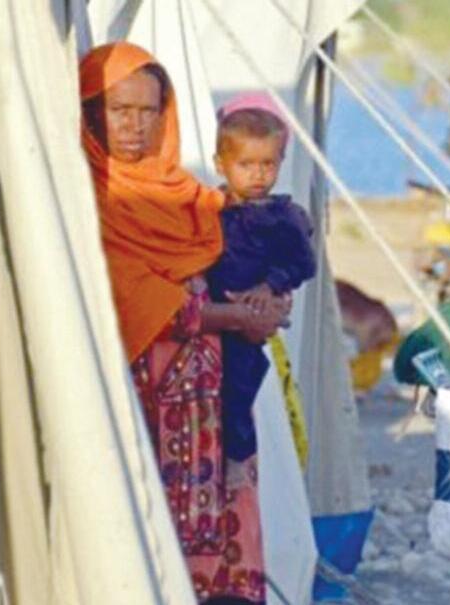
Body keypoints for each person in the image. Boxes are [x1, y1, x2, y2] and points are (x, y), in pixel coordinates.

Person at [79, 42, 286, 604]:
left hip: (215, 404)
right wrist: (235, 317)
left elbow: (248, 259)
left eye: (148, 111)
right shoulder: (87, 198)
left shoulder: (191, 198)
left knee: (225, 552)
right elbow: (140, 299)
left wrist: (270, 299)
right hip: (142, 402)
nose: (135, 126)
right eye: (119, 110)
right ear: (90, 110)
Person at [205, 94, 317, 464]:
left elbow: (303, 263)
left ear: (281, 161)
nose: (258, 174)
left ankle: (238, 458)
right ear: (221, 165)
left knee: (239, 387)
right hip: (212, 313)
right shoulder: (209, 209)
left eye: (268, 164)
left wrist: (269, 287)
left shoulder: (283, 217)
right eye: (246, 165)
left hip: (251, 317)